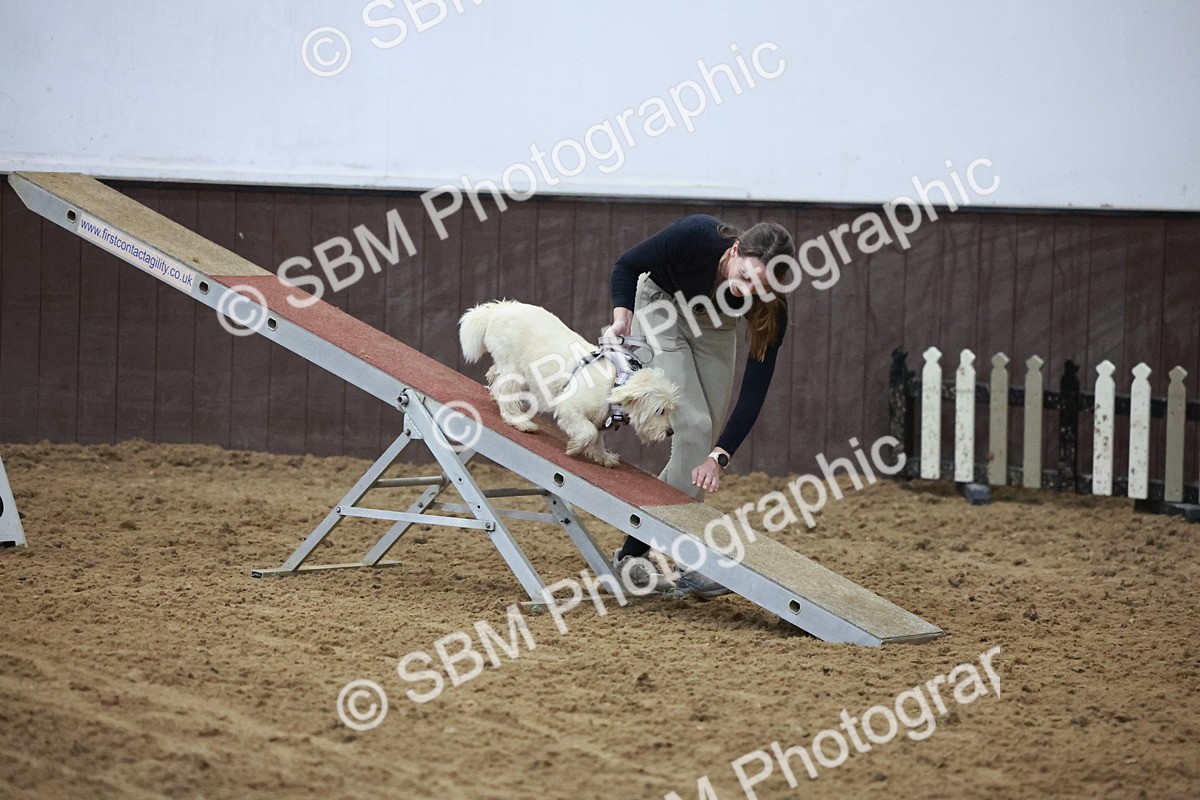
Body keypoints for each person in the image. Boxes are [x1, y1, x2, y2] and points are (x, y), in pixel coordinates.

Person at [604, 214, 797, 598]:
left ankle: (647, 559)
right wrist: (622, 313)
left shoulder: (769, 303)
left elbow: (754, 390)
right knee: (693, 426)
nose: (747, 290)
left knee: (705, 437)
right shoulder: (694, 236)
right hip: (661, 308)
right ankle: (663, 557)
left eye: (760, 286)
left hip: (715, 328)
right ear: (735, 249)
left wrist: (720, 455)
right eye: (744, 276)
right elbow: (626, 265)